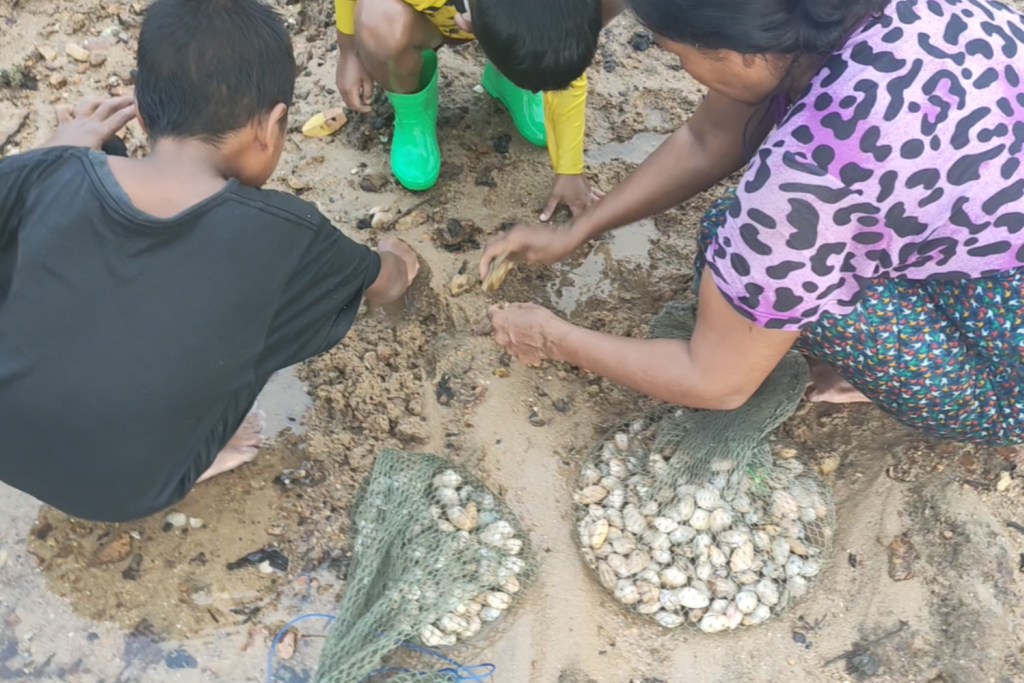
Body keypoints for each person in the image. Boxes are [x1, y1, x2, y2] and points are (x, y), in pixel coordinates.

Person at [481, 0, 1024, 447]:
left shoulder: (803, 182)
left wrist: (552, 337)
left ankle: (913, 382)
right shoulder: (886, 12)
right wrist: (580, 228)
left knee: (730, 239)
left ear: (738, 49)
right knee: (777, 252)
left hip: (1010, 387)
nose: (683, 70)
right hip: (996, 255)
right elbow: (709, 136)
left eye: (676, 57)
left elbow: (715, 382)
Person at [0, 0, 419, 523]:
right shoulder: (290, 236)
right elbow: (384, 285)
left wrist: (54, 153)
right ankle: (203, 455)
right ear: (271, 126)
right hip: (124, 492)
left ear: (145, 112)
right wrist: (398, 257)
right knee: (255, 325)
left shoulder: (41, 173)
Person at [334, 0, 624, 219]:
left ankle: (511, 78)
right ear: (468, 24)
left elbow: (566, 44)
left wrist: (570, 169)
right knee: (378, 23)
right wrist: (348, 49)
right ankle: (413, 109)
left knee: (547, 128)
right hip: (423, 15)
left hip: (500, 15)